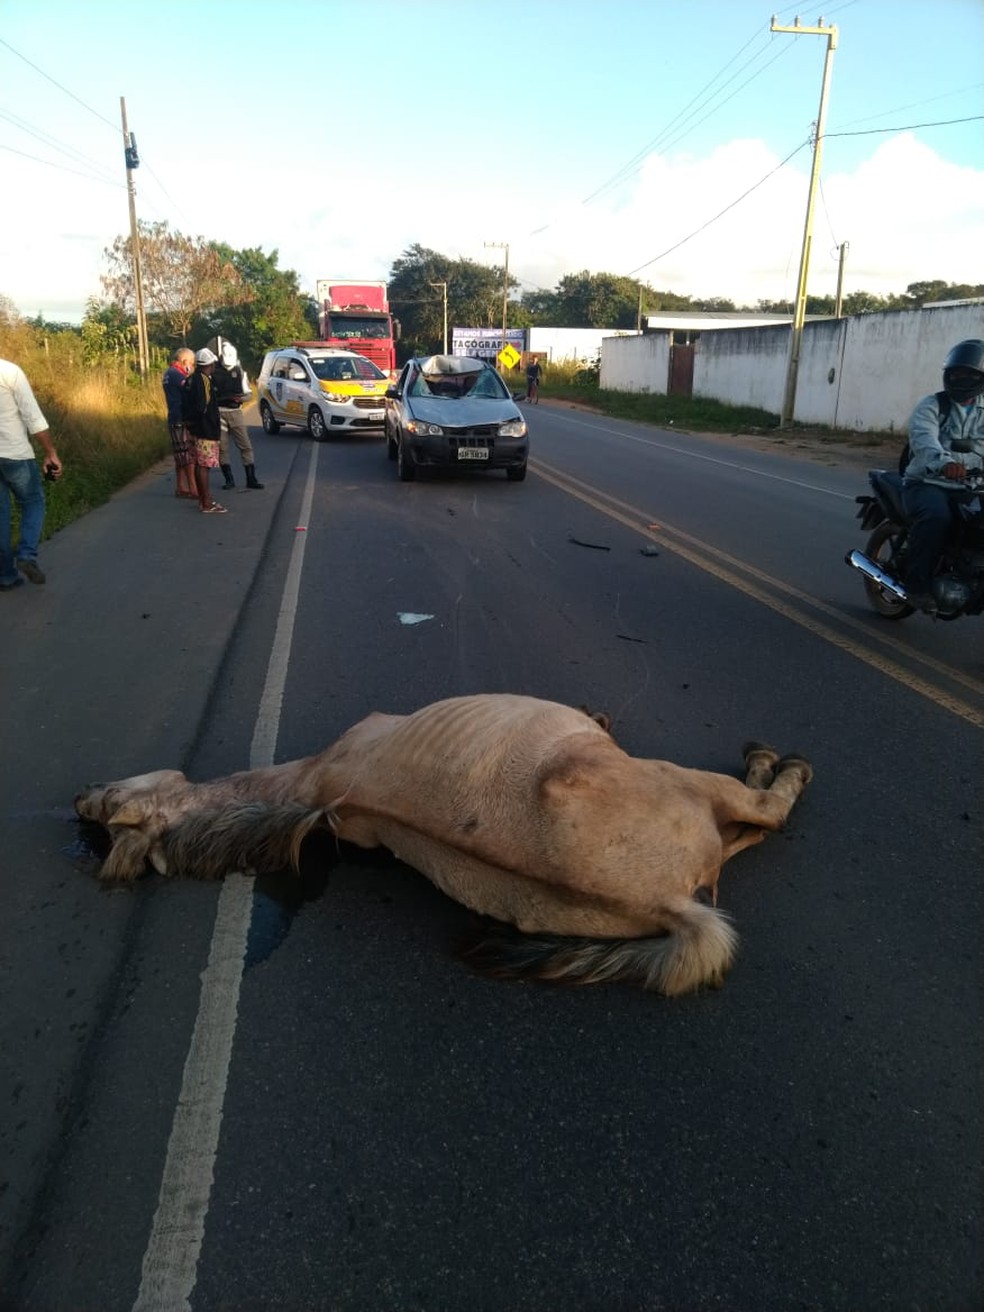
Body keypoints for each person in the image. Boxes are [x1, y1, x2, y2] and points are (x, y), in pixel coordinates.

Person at [901, 338, 984, 613]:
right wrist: (945, 463)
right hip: (927, 482)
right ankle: (916, 585)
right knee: (937, 518)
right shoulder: (932, 405)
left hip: (971, 484)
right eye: (956, 373)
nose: (961, 378)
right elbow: (923, 439)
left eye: (969, 374)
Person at [0, 357, 62, 590]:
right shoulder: (9, 371)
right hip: (14, 454)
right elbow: (32, 416)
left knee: (1, 514)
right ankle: (26, 554)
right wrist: (50, 452)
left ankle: (5, 576)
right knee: (33, 502)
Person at [213, 339, 263, 491]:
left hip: (236, 412)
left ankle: (251, 478)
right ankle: (229, 480)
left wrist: (240, 398)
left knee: (245, 446)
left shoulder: (240, 372)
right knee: (222, 448)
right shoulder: (213, 372)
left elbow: (249, 394)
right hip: (219, 412)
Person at [182, 348, 227, 513]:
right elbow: (202, 407)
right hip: (204, 430)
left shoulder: (190, 379)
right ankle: (206, 502)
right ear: (210, 364)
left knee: (199, 464)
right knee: (204, 465)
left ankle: (203, 500)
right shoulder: (204, 381)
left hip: (193, 429)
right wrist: (209, 426)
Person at [162, 347, 197, 499]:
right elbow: (190, 390)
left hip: (174, 417)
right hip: (181, 418)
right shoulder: (178, 375)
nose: (193, 366)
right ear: (184, 362)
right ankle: (193, 488)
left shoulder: (168, 373)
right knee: (187, 455)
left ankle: (181, 486)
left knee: (180, 455)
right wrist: (190, 376)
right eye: (192, 363)